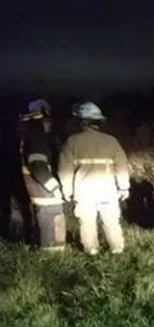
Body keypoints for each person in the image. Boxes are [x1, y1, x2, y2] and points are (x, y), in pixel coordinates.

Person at [58, 101, 130, 255]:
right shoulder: (111, 141)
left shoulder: (72, 141)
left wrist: (67, 190)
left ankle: (91, 250)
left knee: (87, 222)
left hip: (84, 191)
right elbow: (121, 166)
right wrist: (124, 187)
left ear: (82, 121)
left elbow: (65, 169)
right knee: (111, 221)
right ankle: (117, 249)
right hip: (108, 190)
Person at [18, 99, 67, 250]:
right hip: (43, 189)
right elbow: (38, 166)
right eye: (48, 120)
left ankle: (44, 249)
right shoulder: (37, 138)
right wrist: (54, 187)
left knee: (45, 219)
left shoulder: (31, 135)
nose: (50, 124)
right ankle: (50, 255)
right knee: (51, 218)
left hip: (37, 188)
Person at [0, 97, 34, 242]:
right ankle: (29, 231)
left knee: (4, 206)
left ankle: (4, 235)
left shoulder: (9, 129)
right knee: (23, 203)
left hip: (6, 170)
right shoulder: (11, 129)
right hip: (12, 168)